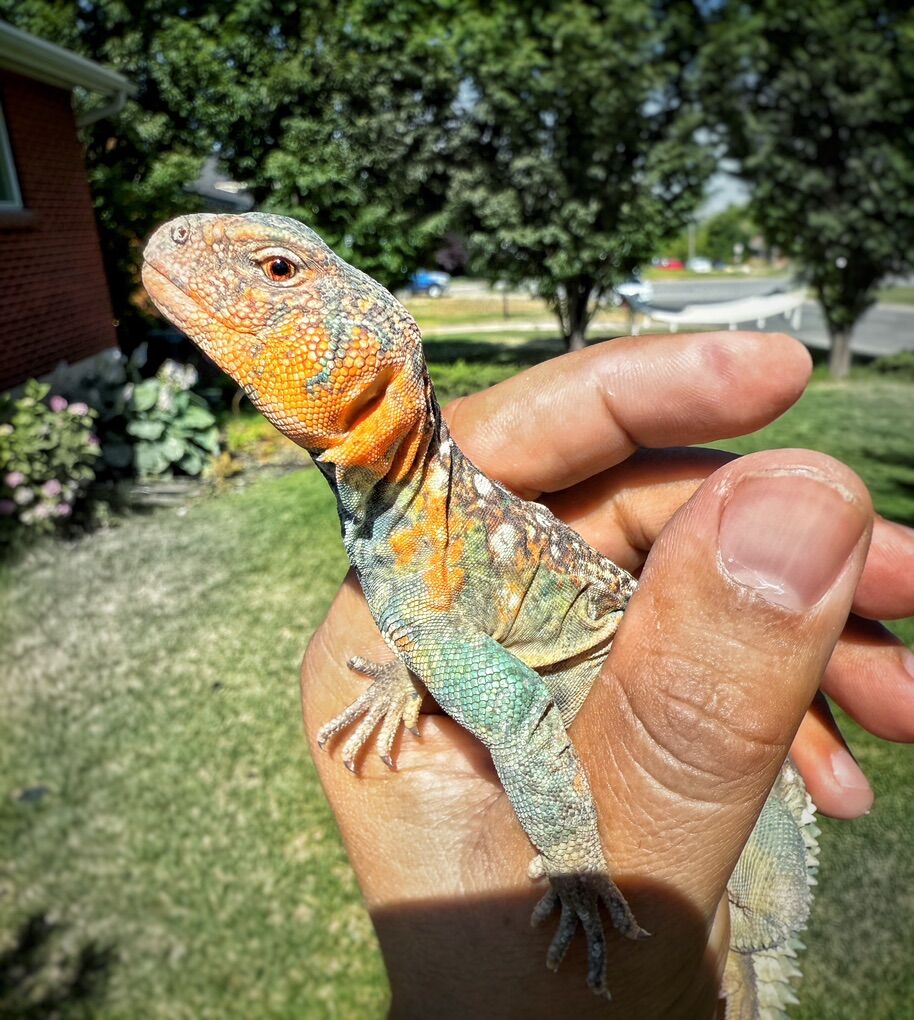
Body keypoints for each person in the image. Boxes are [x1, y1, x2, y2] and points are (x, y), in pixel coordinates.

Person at [300, 331, 914, 1017]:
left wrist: (572, 856)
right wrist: (420, 668)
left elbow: (509, 702)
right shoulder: (421, 515)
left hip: (748, 851)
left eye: (279, 278)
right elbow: (465, 629)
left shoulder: (432, 509)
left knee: (740, 965)